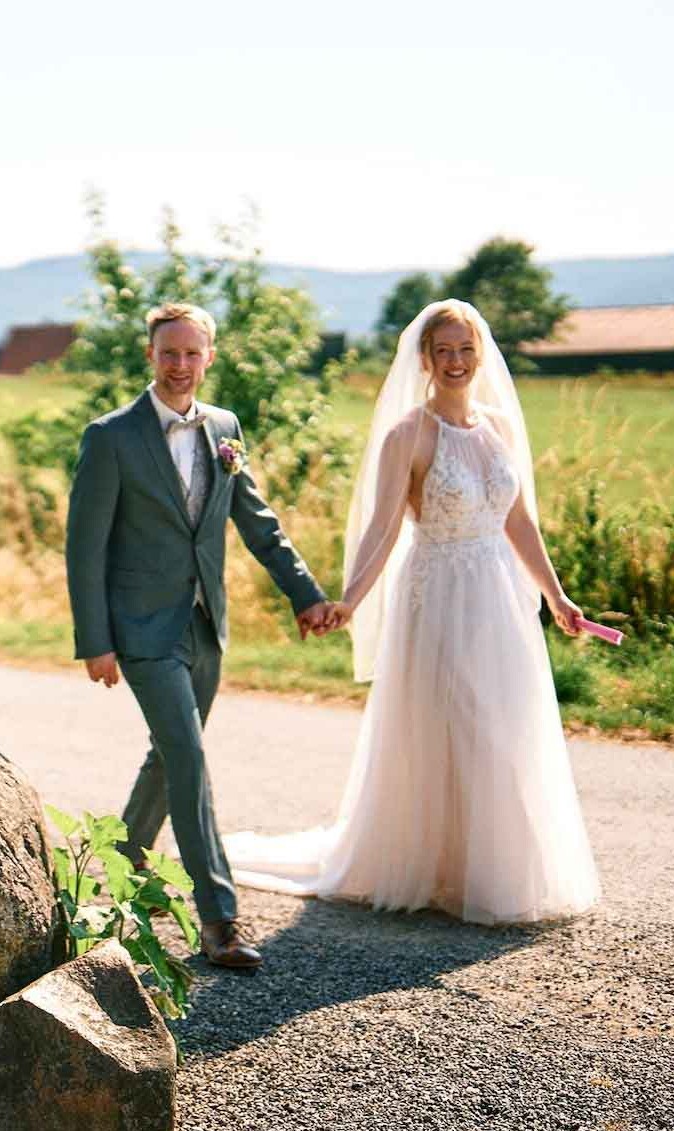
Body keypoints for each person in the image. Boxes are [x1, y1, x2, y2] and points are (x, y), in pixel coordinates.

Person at [224, 299, 600, 924]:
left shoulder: (501, 426)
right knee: (450, 721)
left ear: (481, 354)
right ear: (424, 360)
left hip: (499, 598)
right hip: (438, 594)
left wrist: (556, 596)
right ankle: (431, 865)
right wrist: (349, 599)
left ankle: (493, 868)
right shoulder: (410, 434)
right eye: (443, 351)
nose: (455, 362)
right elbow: (382, 528)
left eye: (465, 350)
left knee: (505, 724)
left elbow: (518, 519)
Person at [65, 302, 339, 970]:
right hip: (139, 629)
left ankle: (115, 879)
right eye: (169, 353)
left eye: (192, 354)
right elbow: (85, 547)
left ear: (209, 357)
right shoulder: (111, 437)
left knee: (168, 758)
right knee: (187, 758)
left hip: (204, 625)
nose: (181, 366)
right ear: (149, 357)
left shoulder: (225, 428)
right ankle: (218, 921)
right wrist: (94, 639)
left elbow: (256, 520)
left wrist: (305, 594)